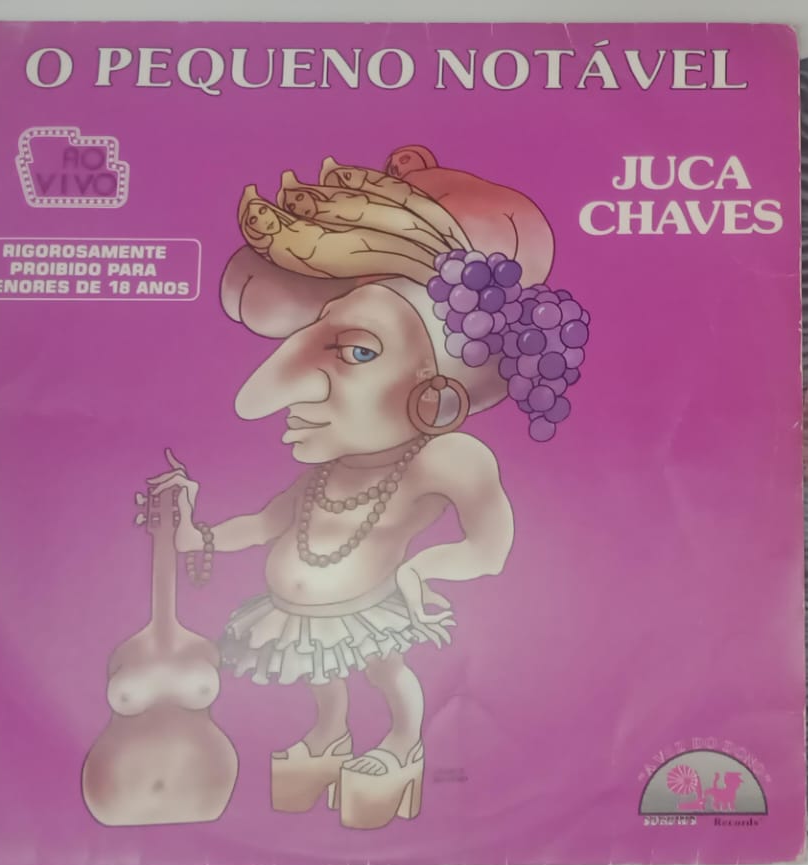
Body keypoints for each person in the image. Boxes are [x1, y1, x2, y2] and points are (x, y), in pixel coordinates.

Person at [145, 146, 555, 829]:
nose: (269, 397)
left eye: (358, 351)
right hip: (298, 612)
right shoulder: (325, 471)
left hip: (369, 608)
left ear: (441, 382)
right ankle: (329, 736)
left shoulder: (441, 461)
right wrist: (196, 533)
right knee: (323, 677)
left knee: (384, 673)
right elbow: (267, 521)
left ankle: (402, 742)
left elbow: (490, 547)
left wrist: (422, 571)